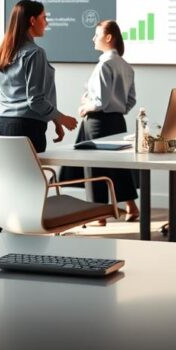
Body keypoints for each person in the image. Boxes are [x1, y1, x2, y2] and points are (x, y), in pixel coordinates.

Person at [0, 0, 78, 233]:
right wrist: (61, 118)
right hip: (26, 130)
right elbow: (35, 100)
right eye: (44, 17)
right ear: (32, 21)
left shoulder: (3, 51)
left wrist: (50, 119)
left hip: (1, 126)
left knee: (4, 186)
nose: (46, 22)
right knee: (31, 189)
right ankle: (31, 244)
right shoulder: (35, 53)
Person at [59, 20, 140, 222]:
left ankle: (99, 214)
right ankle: (131, 207)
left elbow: (100, 101)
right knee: (118, 167)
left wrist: (84, 106)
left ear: (108, 37)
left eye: (97, 34)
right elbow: (130, 100)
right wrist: (118, 108)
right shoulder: (126, 66)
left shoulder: (105, 64)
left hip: (98, 122)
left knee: (95, 168)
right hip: (117, 121)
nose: (93, 38)